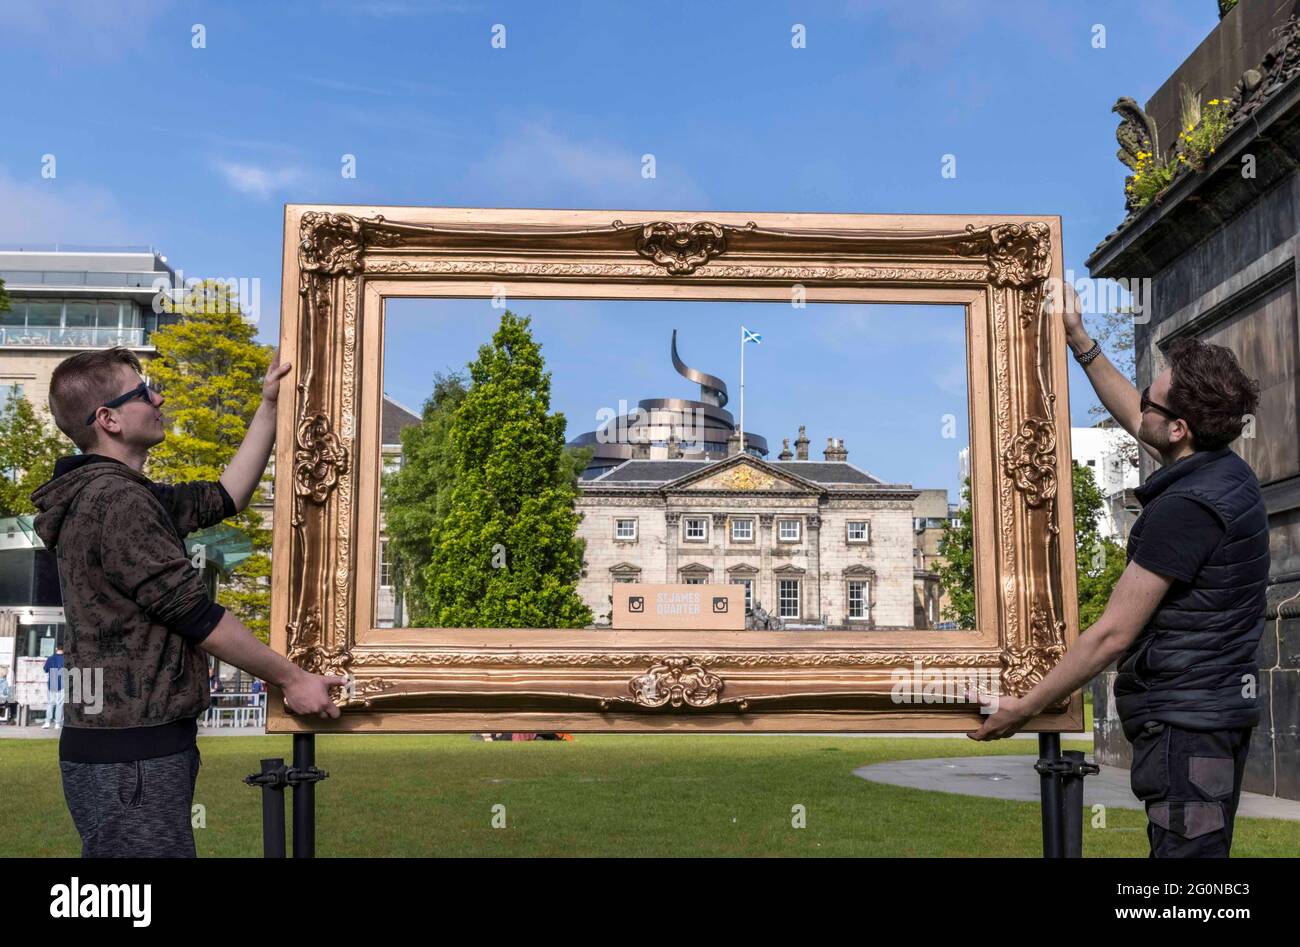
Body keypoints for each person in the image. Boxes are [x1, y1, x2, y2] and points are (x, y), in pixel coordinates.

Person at [970, 284, 1268, 858]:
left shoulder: (1186, 509)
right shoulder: (1223, 471)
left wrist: (1024, 706)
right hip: (1208, 716)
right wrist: (1080, 340)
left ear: (1179, 428)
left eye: (1153, 402)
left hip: (1187, 726)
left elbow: (1112, 634)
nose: (1141, 408)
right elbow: (1138, 414)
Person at [31, 346, 344, 858]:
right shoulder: (117, 501)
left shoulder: (124, 493)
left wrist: (268, 407)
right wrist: (292, 677)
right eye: (141, 392)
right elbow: (198, 616)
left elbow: (226, 497)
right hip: (132, 755)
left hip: (126, 750)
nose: (158, 397)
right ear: (107, 419)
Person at [42, 646, 65, 729]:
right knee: (60, 704)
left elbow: (45, 669)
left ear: (56, 648)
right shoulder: (67, 658)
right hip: (62, 682)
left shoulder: (51, 658)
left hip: (52, 681)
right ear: (64, 649)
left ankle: (47, 722)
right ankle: (57, 723)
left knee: (51, 703)